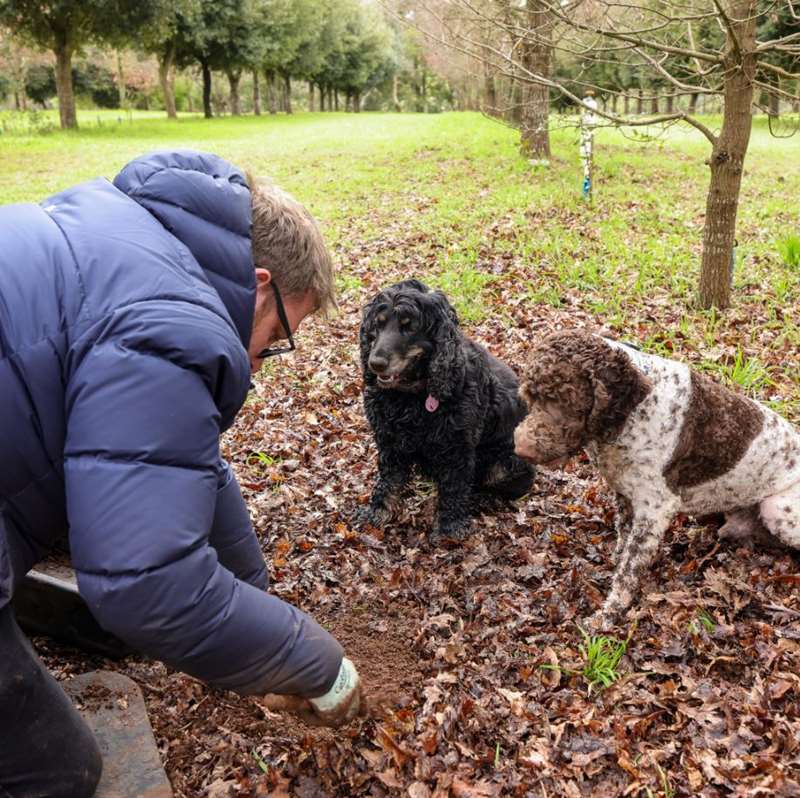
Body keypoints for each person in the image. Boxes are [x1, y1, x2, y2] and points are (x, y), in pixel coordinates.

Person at [0, 150, 364, 798]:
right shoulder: (169, 320)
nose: (264, 359)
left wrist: (255, 596)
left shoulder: (130, 235)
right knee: (57, 770)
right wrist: (317, 662)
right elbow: (146, 583)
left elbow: (183, 466)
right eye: (277, 335)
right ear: (259, 285)